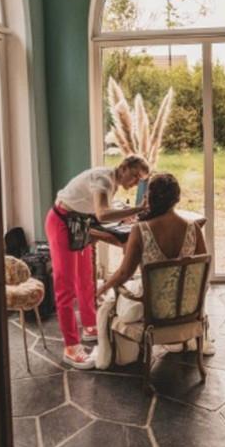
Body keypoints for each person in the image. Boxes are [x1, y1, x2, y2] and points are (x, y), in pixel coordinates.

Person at [45, 155, 149, 369]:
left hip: (79, 224)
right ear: (124, 166)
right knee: (65, 287)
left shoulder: (112, 181)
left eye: (141, 180)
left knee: (85, 280)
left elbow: (95, 210)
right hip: (62, 223)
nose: (136, 182)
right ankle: (71, 347)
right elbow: (102, 214)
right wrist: (138, 209)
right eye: (135, 176)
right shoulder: (103, 180)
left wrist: (122, 215)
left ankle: (90, 325)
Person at [94, 172, 215, 357]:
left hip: (153, 310)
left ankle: (124, 358)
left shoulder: (140, 230)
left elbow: (125, 273)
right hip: (186, 308)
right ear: (177, 198)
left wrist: (102, 289)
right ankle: (182, 339)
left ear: (149, 197)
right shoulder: (194, 229)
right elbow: (203, 273)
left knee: (110, 304)